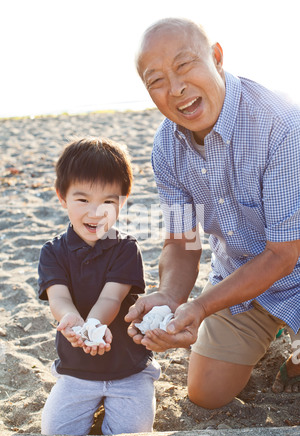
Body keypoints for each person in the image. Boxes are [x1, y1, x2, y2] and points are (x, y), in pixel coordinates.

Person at [125, 17, 300, 409]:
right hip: (238, 281)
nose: (175, 89)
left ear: (216, 57)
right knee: (206, 395)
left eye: (185, 65)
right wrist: (171, 296)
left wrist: (201, 306)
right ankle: (269, 330)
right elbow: (182, 240)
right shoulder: (166, 147)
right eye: (156, 80)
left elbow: (284, 255)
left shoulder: (282, 124)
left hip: (295, 268)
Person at [38, 137, 160, 436]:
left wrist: (94, 324)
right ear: (62, 196)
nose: (95, 213)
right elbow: (59, 297)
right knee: (55, 435)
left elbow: (111, 297)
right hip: (75, 371)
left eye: (108, 201)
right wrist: (73, 321)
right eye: (83, 200)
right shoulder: (52, 251)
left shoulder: (125, 248)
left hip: (129, 370)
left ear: (123, 200)